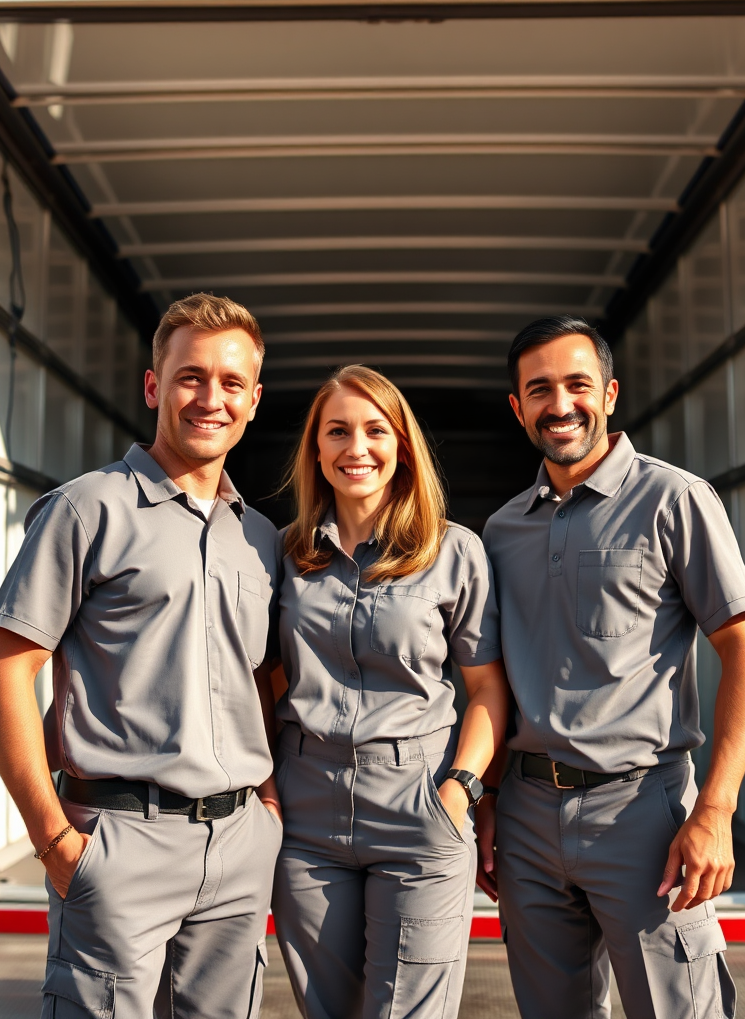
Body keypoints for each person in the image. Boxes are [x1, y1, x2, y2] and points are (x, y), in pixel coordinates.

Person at [0, 294, 283, 1019]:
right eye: (191, 377)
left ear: (255, 400)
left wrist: (266, 808)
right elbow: (5, 672)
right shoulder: (86, 510)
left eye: (232, 383)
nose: (212, 398)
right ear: (154, 387)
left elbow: (262, 681)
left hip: (239, 847)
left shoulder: (260, 537)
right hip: (118, 844)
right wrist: (53, 840)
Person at [478, 316, 745, 1019]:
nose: (561, 405)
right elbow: (491, 685)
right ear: (518, 409)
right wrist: (489, 802)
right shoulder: (500, 530)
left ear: (609, 393)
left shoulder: (675, 498)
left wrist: (717, 810)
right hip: (526, 817)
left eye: (578, 385)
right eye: (539, 390)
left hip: (644, 817)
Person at [271, 365, 509, 1019]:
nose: (357, 448)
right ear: (316, 450)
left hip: (419, 800)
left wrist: (459, 791)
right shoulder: (287, 555)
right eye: (338, 431)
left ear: (401, 446)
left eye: (376, 430)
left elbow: (488, 689)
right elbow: (265, 678)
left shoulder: (454, 551)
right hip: (305, 810)